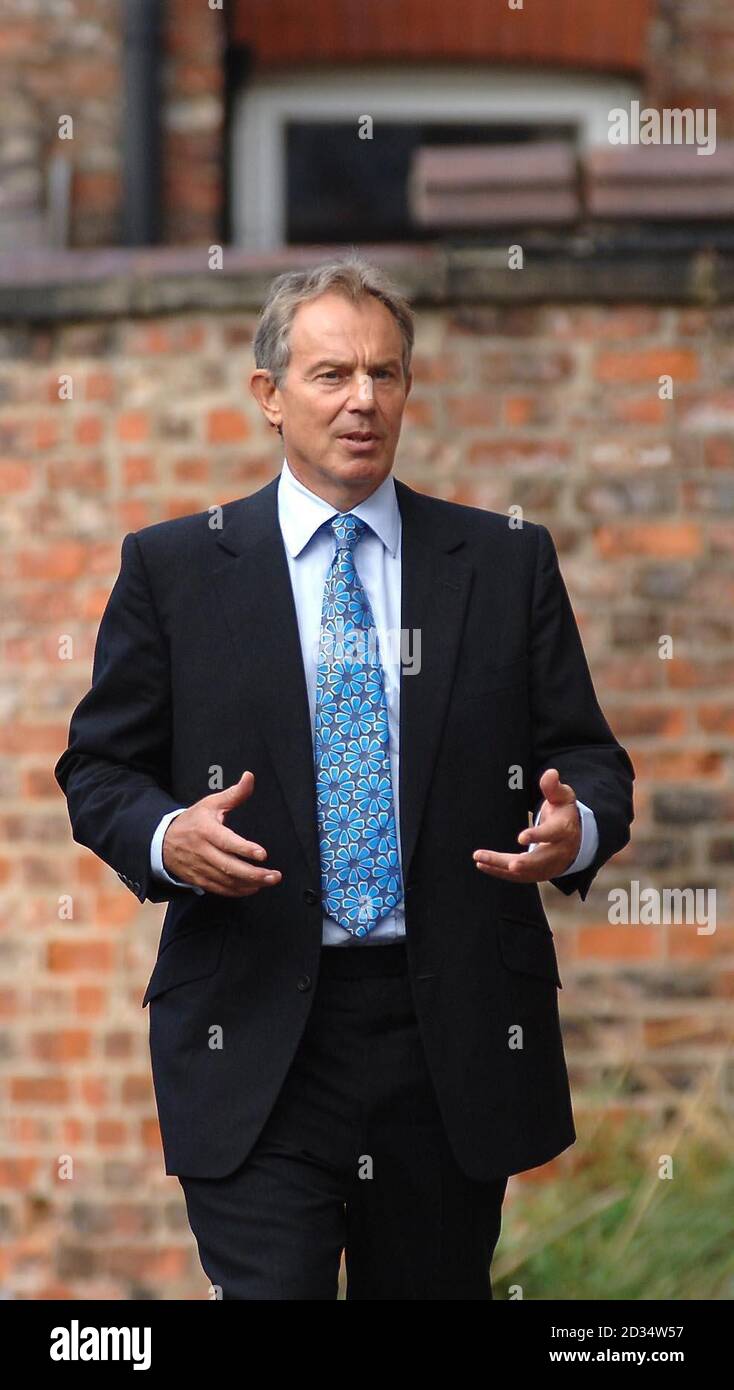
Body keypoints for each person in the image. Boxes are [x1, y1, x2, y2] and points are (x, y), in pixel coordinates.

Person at [55, 254, 634, 1300]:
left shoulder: (502, 562)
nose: (362, 400)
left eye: (385, 374)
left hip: (445, 1034)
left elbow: (588, 759)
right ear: (268, 397)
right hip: (254, 1030)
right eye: (331, 375)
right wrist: (165, 837)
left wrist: (576, 827)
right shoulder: (176, 568)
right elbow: (98, 768)